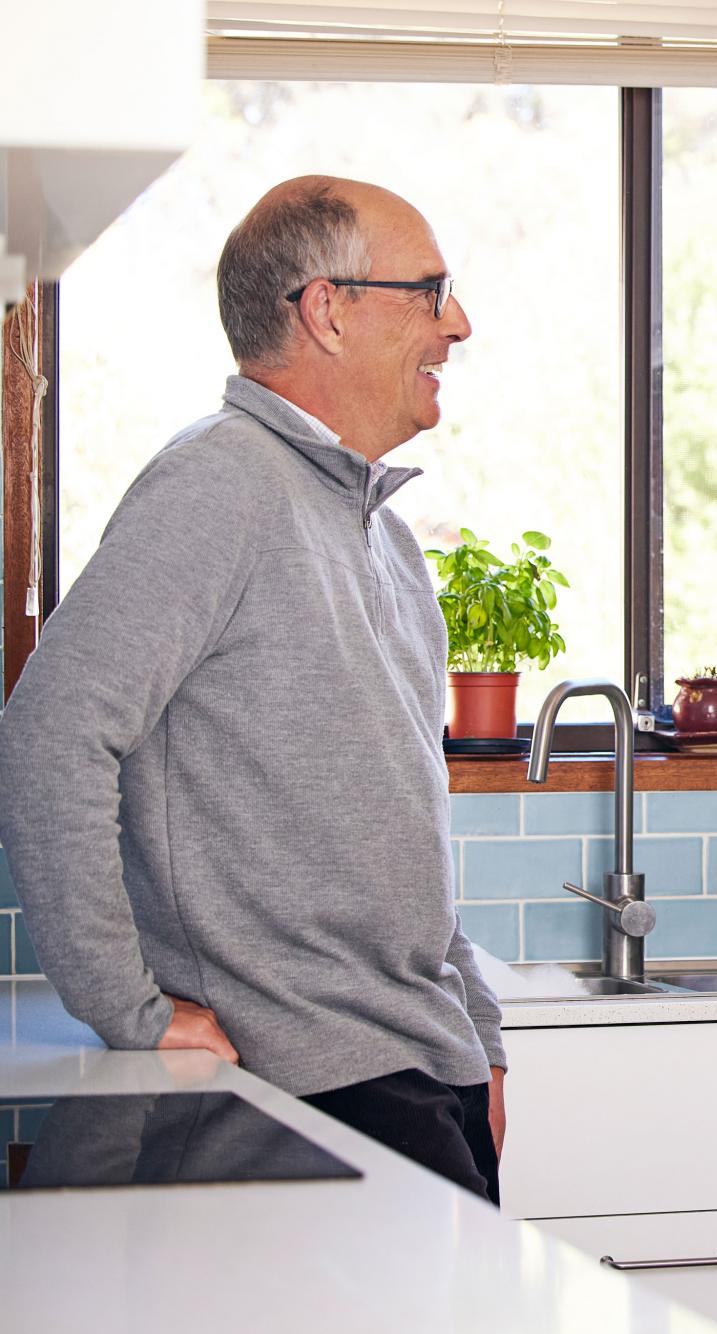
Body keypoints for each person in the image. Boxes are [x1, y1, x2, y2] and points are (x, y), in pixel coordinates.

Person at [0, 176, 508, 1204]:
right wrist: (131, 1010)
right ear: (327, 310)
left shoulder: (384, 536)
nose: (457, 323)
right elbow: (49, 735)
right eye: (429, 290)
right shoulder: (220, 484)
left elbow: (400, 829)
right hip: (302, 1094)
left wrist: (476, 1035)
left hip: (415, 1069)